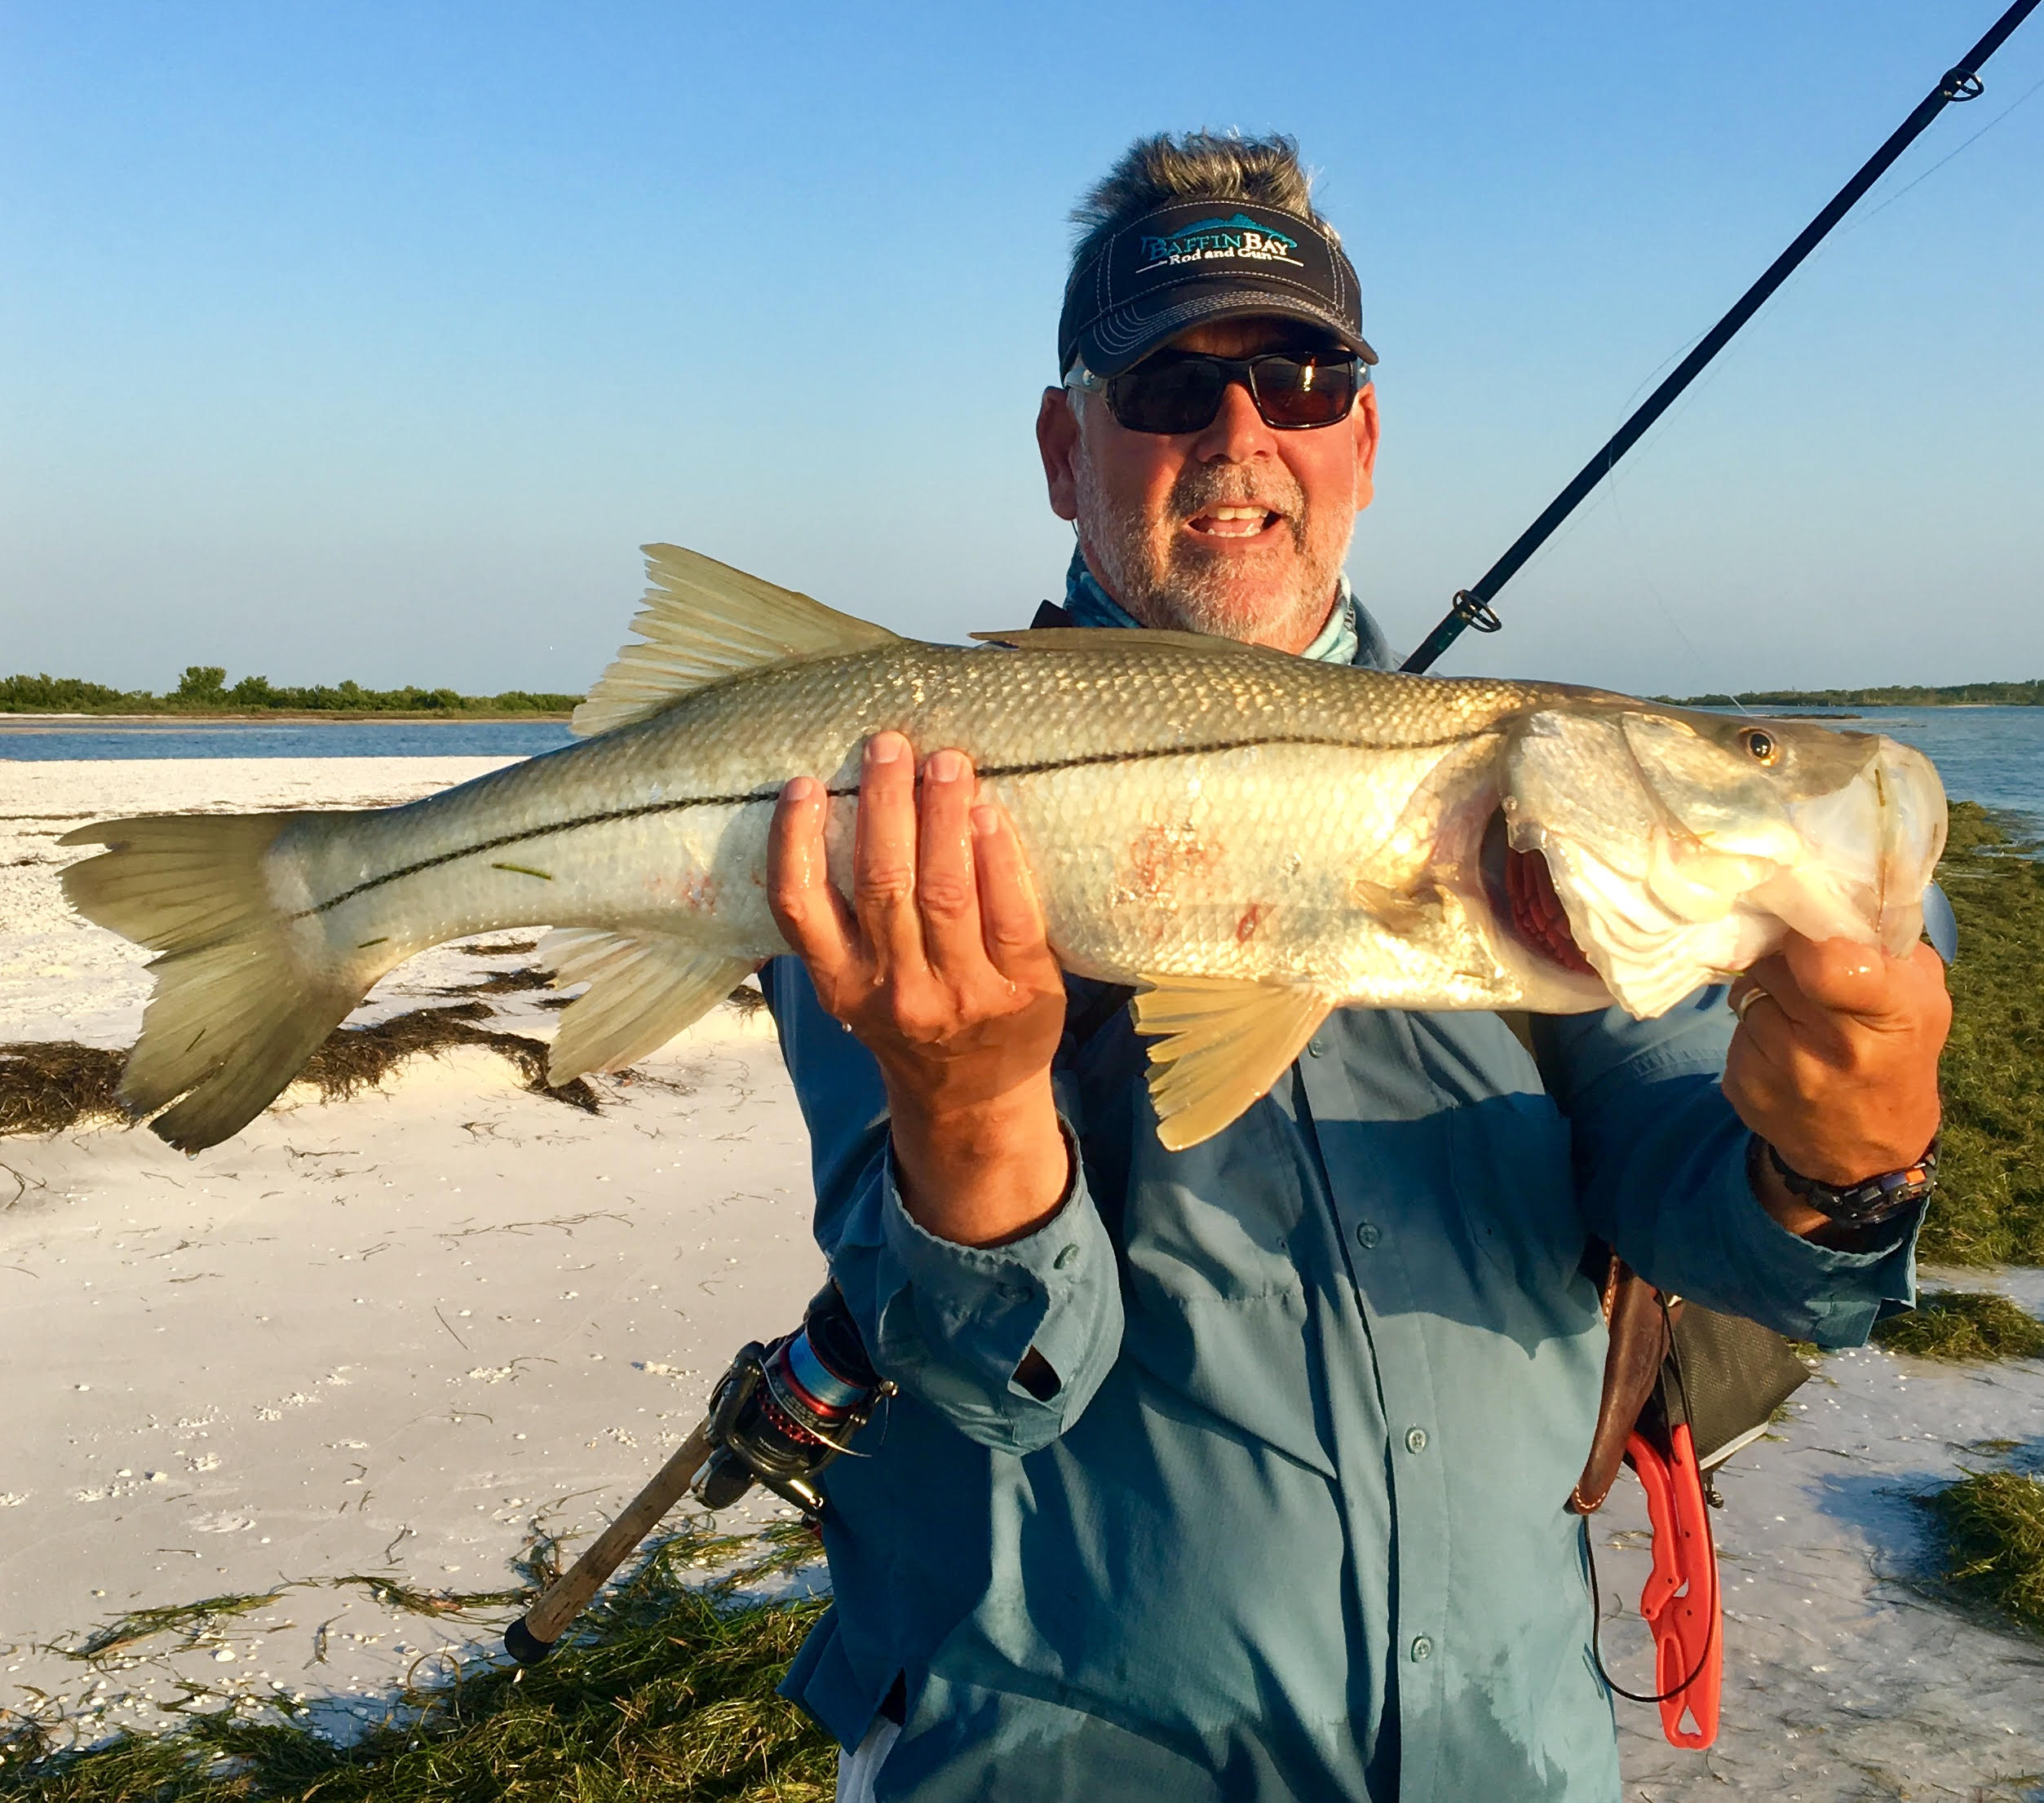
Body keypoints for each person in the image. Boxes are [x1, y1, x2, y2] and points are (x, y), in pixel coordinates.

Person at [754, 132, 1949, 1802]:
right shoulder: (907, 808)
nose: (1239, 433)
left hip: (1508, 1751)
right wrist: (965, 1109)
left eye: (1302, 380)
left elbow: (1742, 1243)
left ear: (1362, 441)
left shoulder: (1557, 834)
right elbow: (981, 1384)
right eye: (1169, 383)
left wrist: (1845, 1156)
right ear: (1063, 447)